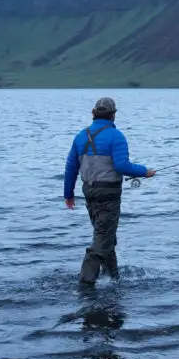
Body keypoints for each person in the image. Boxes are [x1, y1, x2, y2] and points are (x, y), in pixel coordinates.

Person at [63, 97, 155, 284]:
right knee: (102, 238)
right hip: (109, 194)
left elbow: (71, 167)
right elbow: (122, 165)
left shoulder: (81, 136)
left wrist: (68, 195)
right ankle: (85, 283)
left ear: (94, 113)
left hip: (88, 191)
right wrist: (144, 172)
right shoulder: (116, 136)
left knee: (106, 235)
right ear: (113, 115)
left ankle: (113, 277)